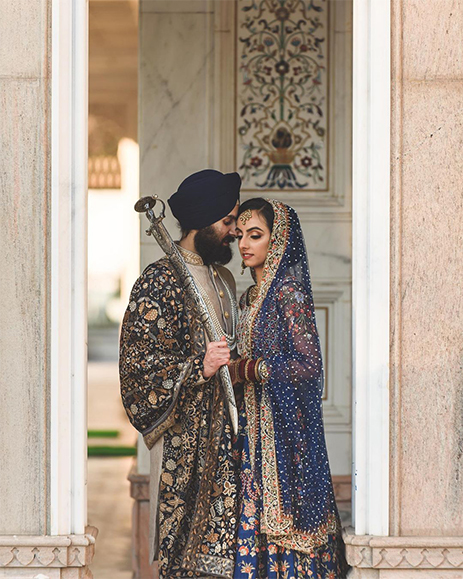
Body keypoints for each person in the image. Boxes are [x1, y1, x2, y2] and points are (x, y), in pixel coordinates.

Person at [119, 169, 242, 579]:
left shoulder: (223, 279)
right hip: (184, 448)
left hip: (231, 442)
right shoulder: (159, 281)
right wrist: (197, 369)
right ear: (204, 221)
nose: (234, 233)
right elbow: (139, 373)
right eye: (227, 222)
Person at [228, 198, 349, 578]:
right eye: (241, 235)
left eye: (256, 235)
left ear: (277, 240)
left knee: (289, 527)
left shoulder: (289, 294)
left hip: (284, 434)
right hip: (251, 433)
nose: (244, 243)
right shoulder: (248, 298)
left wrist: (252, 368)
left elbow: (310, 365)